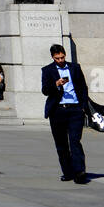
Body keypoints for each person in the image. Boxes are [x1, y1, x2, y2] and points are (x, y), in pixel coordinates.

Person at [41, 44, 88, 184]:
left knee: (75, 141)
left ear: (65, 55)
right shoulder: (47, 70)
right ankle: (68, 172)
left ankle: (79, 172)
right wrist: (56, 84)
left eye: (62, 57)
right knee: (61, 144)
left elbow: (83, 87)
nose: (60, 60)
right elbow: (45, 90)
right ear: (52, 57)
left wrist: (83, 106)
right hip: (57, 110)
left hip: (75, 109)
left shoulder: (75, 68)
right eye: (57, 58)